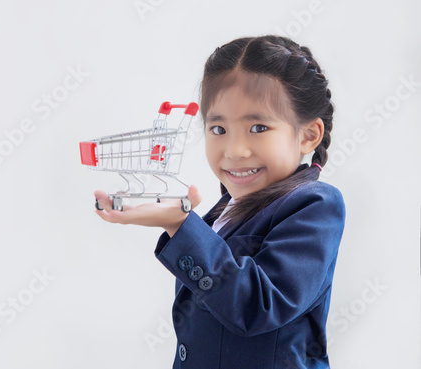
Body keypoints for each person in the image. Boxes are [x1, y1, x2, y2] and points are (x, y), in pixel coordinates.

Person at [94, 35, 346, 368]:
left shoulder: (316, 205)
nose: (234, 151)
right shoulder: (225, 208)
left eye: (258, 127)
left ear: (308, 135)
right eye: (218, 129)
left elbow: (258, 305)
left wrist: (181, 225)